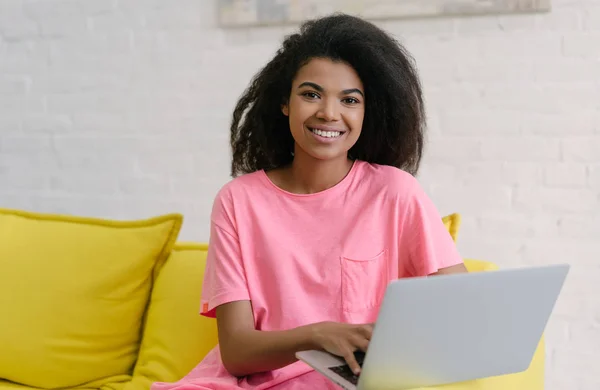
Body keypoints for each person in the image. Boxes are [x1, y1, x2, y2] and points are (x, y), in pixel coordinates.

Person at [152, 12, 467, 390]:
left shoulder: (395, 193)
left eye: (349, 99)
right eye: (311, 94)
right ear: (285, 102)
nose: (328, 113)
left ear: (367, 112)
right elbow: (235, 352)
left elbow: (461, 310)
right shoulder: (239, 201)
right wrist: (317, 335)